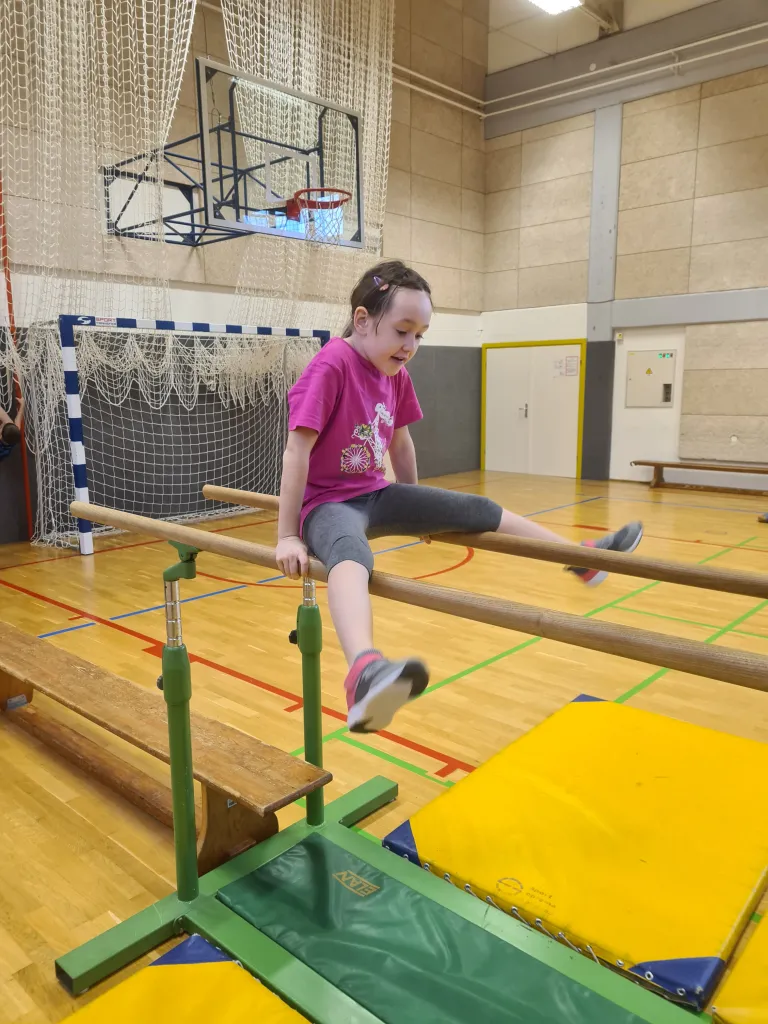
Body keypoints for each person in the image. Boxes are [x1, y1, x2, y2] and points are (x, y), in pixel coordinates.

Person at [275, 260, 643, 734]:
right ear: (362, 320)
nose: (410, 346)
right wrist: (287, 535)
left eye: (420, 336)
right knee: (351, 554)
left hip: (377, 493)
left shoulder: (395, 373)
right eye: (402, 331)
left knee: (478, 510)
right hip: (327, 504)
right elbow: (296, 451)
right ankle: (364, 673)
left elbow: (400, 444)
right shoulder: (332, 366)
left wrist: (417, 511)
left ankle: (580, 558)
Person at [0, 395, 23, 463]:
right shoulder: (13, 436)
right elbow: (17, 423)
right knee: (9, 422)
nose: (2, 424)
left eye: (2, 427)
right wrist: (22, 405)